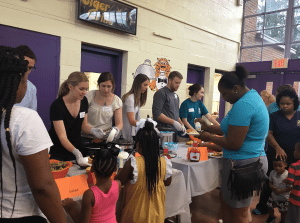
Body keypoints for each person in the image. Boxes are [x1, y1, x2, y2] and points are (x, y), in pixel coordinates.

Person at [195, 65, 269, 223]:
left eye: (224, 93)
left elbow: (234, 142)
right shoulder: (250, 97)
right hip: (246, 162)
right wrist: (208, 126)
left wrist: (209, 137)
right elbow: (229, 129)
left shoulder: (244, 105)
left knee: (239, 212)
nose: (223, 98)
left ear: (236, 88)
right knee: (229, 204)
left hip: (244, 165)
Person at [0, 47, 66, 222]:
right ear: (14, 82)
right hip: (19, 214)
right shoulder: (24, 119)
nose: (26, 84)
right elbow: (42, 187)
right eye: (24, 78)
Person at [253, 85, 300, 215]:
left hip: (296, 155)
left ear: (294, 103)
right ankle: (263, 207)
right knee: (270, 180)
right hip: (276, 155)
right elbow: (268, 134)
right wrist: (277, 147)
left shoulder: (299, 116)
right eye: (282, 103)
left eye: (288, 104)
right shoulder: (274, 116)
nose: (284, 106)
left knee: (294, 183)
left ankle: (292, 210)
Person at [115, 120, 172, 223]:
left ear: (138, 145)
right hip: (156, 216)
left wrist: (120, 169)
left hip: (135, 216)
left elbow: (118, 181)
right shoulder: (164, 162)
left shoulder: (133, 164)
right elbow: (167, 182)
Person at [48, 72, 103, 165]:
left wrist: (92, 130)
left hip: (76, 147)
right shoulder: (57, 106)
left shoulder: (84, 101)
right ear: (70, 87)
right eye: (81, 89)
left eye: (86, 89)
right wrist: (76, 152)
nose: (84, 92)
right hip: (58, 152)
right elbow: (62, 137)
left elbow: (83, 126)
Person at [62, 147, 122, 223]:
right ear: (115, 169)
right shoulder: (118, 184)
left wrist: (71, 208)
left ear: (92, 169)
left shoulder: (89, 194)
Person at [85, 72, 123, 139]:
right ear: (99, 84)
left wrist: (116, 129)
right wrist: (92, 130)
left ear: (113, 86)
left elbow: (119, 123)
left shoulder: (116, 100)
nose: (106, 90)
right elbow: (81, 118)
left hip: (105, 136)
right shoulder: (89, 95)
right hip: (88, 135)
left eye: (109, 86)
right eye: (103, 86)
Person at [121, 73, 149, 141]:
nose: (146, 87)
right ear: (138, 84)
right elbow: (131, 121)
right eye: (145, 85)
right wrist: (145, 125)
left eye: (147, 85)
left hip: (132, 133)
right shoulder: (130, 98)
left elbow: (136, 119)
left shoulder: (137, 98)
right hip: (125, 133)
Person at [265, 157, 292, 223]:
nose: (277, 168)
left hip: (284, 197)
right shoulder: (272, 172)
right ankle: (271, 217)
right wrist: (273, 187)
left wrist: (281, 191)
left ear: (285, 165)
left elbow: (290, 187)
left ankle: (282, 221)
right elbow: (270, 182)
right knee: (270, 206)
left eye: (280, 166)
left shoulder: (288, 175)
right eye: (275, 165)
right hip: (274, 195)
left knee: (283, 211)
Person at [14, 45, 37, 111]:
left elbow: (32, 115)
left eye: (30, 68)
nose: (26, 71)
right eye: (23, 65)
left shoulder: (32, 88)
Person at [284, 142, 300, 223]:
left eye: (295, 150)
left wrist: (286, 181)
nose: (294, 152)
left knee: (293, 217)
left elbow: (290, 183)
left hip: (296, 198)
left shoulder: (293, 166)